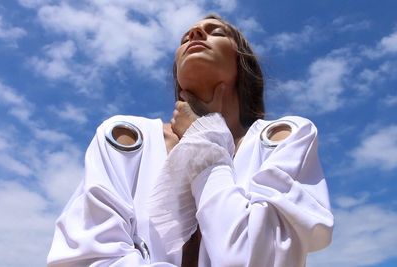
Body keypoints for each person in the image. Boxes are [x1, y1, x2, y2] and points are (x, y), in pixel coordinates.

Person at [47, 14, 334, 267]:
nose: (195, 34)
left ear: (241, 60)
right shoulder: (124, 137)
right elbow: (86, 258)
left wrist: (204, 139)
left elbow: (259, 259)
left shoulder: (286, 137)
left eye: (216, 31)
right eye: (187, 36)